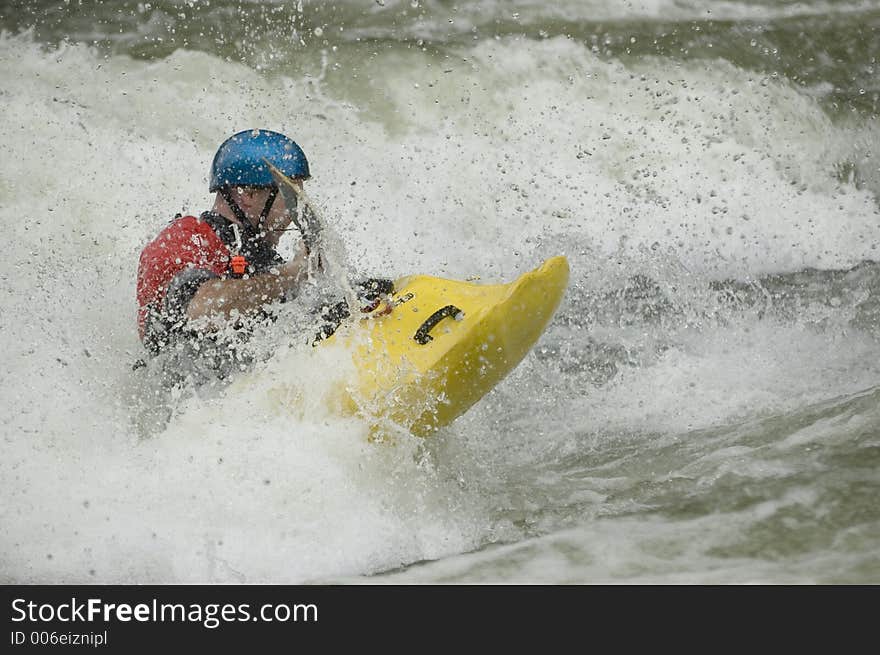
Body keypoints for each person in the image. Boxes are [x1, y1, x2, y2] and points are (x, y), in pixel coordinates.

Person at [136, 129, 322, 381]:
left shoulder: (262, 263)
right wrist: (293, 274)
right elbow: (202, 309)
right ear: (247, 194)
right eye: (289, 199)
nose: (294, 213)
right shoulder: (184, 240)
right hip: (183, 405)